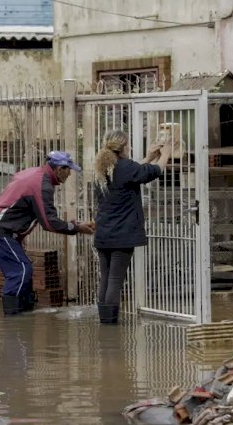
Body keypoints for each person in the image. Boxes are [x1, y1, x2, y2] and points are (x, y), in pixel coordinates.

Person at [0, 151, 95, 316]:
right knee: (20, 270)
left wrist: (20, 237)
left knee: (23, 269)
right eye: (68, 169)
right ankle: (13, 319)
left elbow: (24, 208)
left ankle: (25, 313)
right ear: (59, 168)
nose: (70, 174)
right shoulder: (42, 184)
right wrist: (77, 229)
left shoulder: (36, 175)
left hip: (4, 228)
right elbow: (49, 223)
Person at [92, 130, 171, 324]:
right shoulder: (125, 167)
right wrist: (167, 153)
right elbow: (155, 171)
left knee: (106, 278)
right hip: (122, 235)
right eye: (129, 145)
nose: (131, 148)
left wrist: (149, 157)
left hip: (103, 234)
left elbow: (132, 174)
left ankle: (105, 321)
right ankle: (110, 325)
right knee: (115, 280)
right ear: (123, 147)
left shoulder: (103, 167)